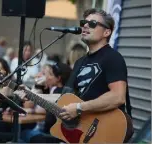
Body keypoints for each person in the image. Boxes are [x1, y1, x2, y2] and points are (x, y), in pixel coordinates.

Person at [14, 8, 133, 143]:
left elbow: (118, 96)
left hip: (104, 130)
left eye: (92, 23)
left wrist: (79, 108)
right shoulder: (79, 63)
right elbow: (64, 98)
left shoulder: (113, 58)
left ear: (107, 32)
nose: (85, 26)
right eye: (84, 22)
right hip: (81, 133)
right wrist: (30, 95)